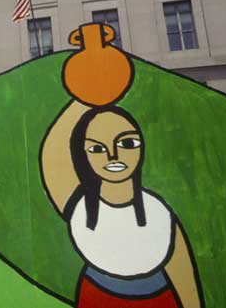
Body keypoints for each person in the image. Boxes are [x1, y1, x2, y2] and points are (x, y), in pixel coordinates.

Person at [40, 102, 202, 308]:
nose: (112, 156)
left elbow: (183, 273)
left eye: (126, 144)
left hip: (158, 298)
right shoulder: (79, 205)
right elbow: (53, 153)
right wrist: (84, 98)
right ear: (84, 155)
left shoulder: (157, 211)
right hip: (97, 295)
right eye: (97, 148)